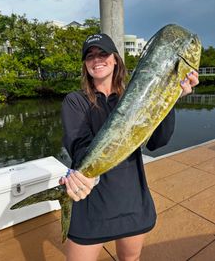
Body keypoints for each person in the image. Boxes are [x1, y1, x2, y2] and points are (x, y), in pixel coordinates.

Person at [59, 33, 199, 261]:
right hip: (91, 202)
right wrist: (83, 176)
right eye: (90, 56)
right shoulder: (75, 101)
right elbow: (78, 146)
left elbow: (157, 142)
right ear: (85, 65)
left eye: (103, 53)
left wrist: (170, 96)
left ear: (115, 59)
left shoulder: (137, 95)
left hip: (131, 199)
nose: (97, 60)